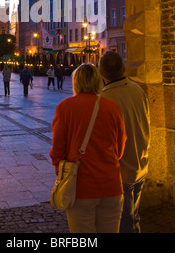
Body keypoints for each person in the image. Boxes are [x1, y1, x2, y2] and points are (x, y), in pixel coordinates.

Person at [49, 63, 126, 233]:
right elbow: (120, 148)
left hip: (80, 187)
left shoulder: (65, 107)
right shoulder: (112, 107)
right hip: (111, 186)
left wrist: (61, 171)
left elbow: (57, 150)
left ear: (76, 82)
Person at [99, 51, 150, 233]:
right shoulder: (138, 89)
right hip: (141, 163)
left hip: (121, 172)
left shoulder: (104, 100)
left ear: (101, 73)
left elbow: (104, 143)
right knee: (134, 217)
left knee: (123, 223)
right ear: (123, 68)